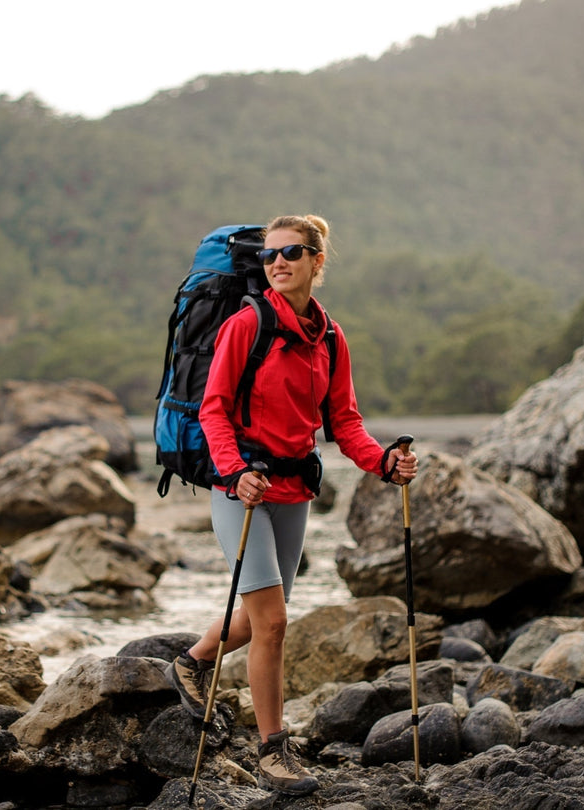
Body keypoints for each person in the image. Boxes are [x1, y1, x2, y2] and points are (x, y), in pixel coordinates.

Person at [168, 214, 418, 796]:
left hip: (295, 492)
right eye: (269, 255)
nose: (277, 262)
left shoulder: (330, 338)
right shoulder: (246, 325)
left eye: (291, 252)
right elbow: (213, 409)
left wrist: (384, 462)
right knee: (274, 622)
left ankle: (192, 661)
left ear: (316, 261)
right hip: (243, 492)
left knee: (262, 618)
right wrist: (234, 472)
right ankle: (272, 751)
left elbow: (345, 423)